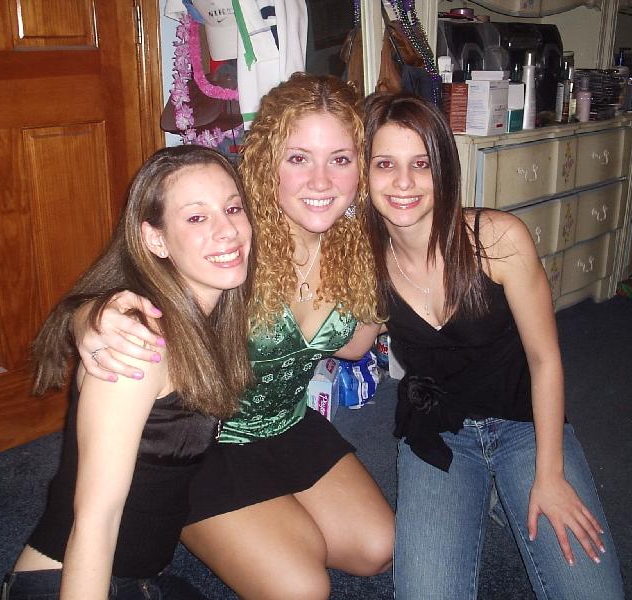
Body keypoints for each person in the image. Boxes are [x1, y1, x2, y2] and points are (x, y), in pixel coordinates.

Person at [73, 73, 394, 599]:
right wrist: (90, 318)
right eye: (298, 158)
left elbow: (355, 346)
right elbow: (139, 281)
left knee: (377, 548)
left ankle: (265, 524)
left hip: (288, 422)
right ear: (267, 161)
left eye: (340, 158)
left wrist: (386, 250)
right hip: (206, 444)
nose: (321, 181)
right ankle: (175, 512)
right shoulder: (233, 237)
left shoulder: (354, 246)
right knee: (302, 589)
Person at [363, 92, 624, 599]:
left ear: (444, 169)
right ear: (366, 175)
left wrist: (550, 474)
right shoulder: (367, 262)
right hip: (438, 432)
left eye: (421, 163)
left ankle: (508, 487)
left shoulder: (498, 239)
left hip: (525, 426)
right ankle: (487, 494)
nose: (403, 182)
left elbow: (544, 359)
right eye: (385, 164)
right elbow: (352, 347)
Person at [1, 145, 254, 600]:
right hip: (73, 581)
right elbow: (95, 520)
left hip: (137, 575)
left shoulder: (206, 313)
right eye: (197, 217)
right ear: (155, 240)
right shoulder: (136, 345)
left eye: (233, 208)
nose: (228, 230)